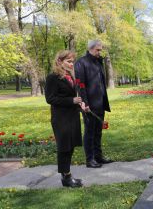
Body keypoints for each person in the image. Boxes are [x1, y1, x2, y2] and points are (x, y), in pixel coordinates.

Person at [45, 50, 86, 188]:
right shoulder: (52, 78)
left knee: (70, 147)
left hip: (72, 116)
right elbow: (50, 99)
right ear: (59, 62)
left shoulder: (70, 76)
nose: (71, 64)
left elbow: (73, 97)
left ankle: (66, 176)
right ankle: (66, 177)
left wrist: (81, 105)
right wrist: (72, 100)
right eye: (68, 61)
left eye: (72, 61)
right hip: (61, 119)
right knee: (64, 148)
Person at [74, 40, 112, 168]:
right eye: (98, 50)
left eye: (100, 50)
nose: (99, 52)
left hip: (100, 102)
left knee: (98, 132)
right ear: (90, 49)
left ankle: (98, 156)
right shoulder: (81, 62)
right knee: (89, 132)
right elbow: (80, 85)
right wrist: (84, 103)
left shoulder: (98, 62)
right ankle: (89, 160)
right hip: (89, 104)